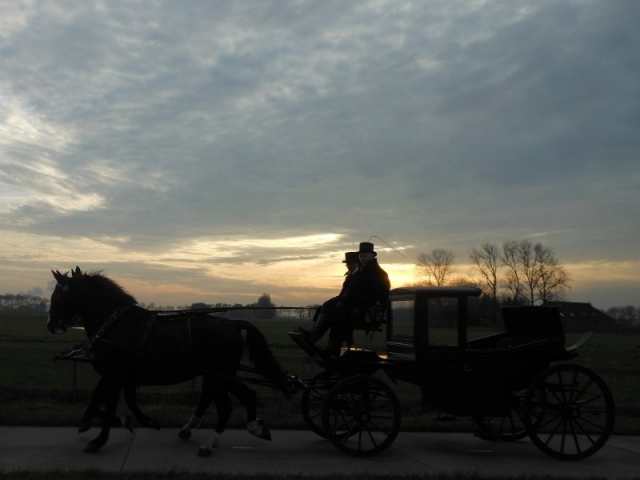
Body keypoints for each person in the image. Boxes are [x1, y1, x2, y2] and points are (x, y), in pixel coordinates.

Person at [297, 242, 390, 356]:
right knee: (329, 306)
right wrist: (341, 301)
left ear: (372, 256)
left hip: (366, 310)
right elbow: (352, 293)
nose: (362, 258)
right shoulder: (363, 272)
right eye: (361, 256)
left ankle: (333, 348)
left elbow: (377, 296)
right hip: (356, 305)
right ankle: (315, 335)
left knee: (338, 313)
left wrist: (356, 307)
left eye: (365, 256)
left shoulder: (378, 273)